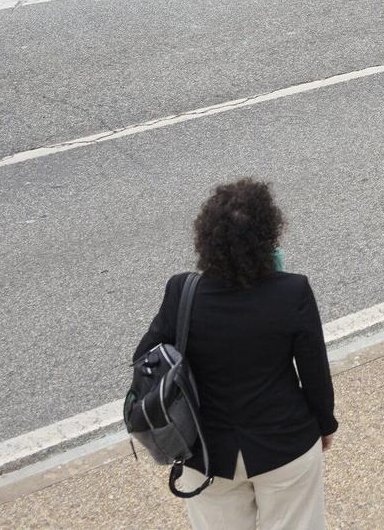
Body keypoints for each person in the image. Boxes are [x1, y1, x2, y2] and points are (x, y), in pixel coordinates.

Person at [133, 179, 336, 530]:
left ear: (205, 238)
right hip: (284, 442)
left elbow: (145, 357)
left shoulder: (182, 292)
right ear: (268, 235)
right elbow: (314, 373)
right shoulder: (292, 291)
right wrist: (325, 424)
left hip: (208, 452)